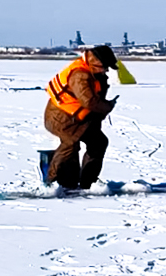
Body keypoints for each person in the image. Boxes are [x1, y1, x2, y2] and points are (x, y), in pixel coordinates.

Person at [43, 46, 119, 190]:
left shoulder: (94, 74)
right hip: (61, 118)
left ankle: (88, 182)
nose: (106, 71)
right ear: (94, 62)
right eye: (104, 67)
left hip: (79, 119)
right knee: (71, 144)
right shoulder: (80, 75)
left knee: (99, 142)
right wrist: (107, 107)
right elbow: (89, 101)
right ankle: (50, 182)